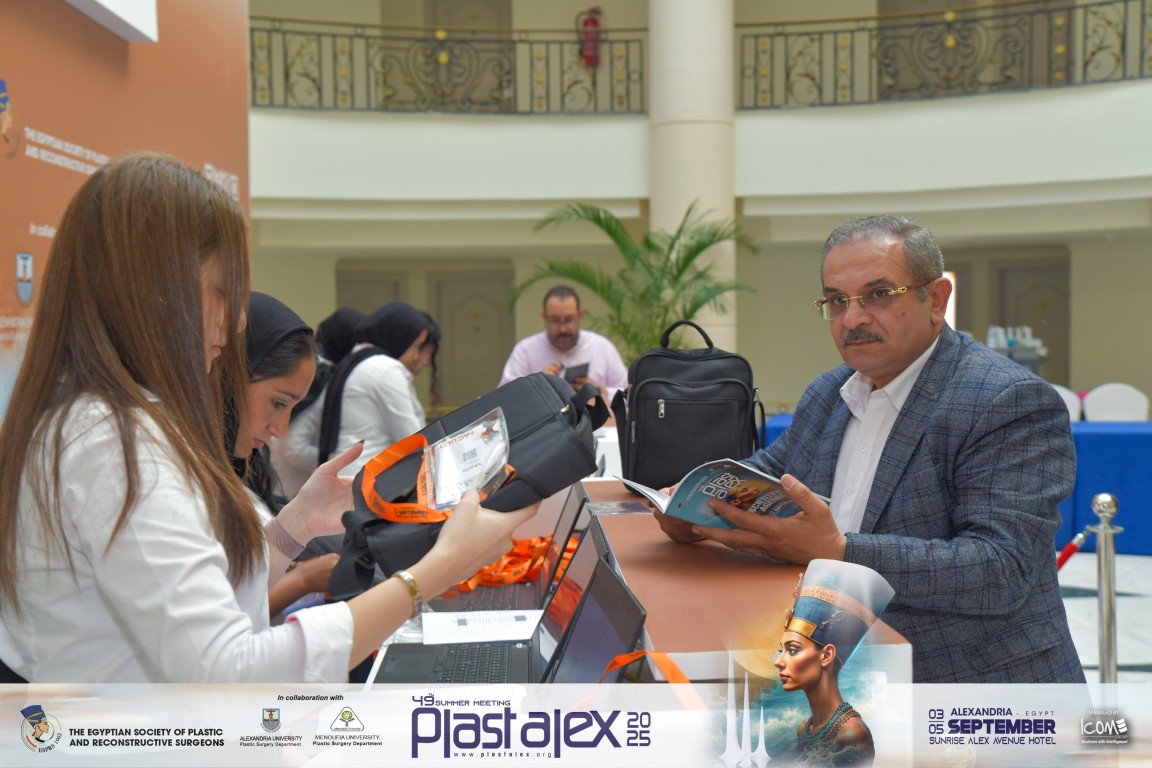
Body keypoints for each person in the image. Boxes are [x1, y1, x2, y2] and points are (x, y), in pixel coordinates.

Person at [0, 152, 536, 683]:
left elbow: (213, 606)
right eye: (223, 292)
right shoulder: (112, 443)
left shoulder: (108, 423)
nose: (236, 321)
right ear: (154, 291)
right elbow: (225, 672)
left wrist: (296, 525)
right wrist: (438, 569)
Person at [654, 215, 1084, 684]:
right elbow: (767, 474)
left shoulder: (1005, 399)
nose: (853, 319)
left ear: (936, 299)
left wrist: (839, 552)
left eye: (878, 294)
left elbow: (1001, 570)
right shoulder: (829, 392)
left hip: (972, 692)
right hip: (841, 677)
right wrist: (695, 507)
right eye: (837, 301)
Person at [229, 291, 338, 618]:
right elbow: (227, 617)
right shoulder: (182, 475)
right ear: (228, 378)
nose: (280, 428)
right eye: (278, 403)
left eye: (292, 408)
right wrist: (302, 578)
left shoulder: (241, 468)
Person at [771, 560, 893, 767]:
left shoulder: (852, 734)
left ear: (826, 655)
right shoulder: (805, 729)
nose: (778, 662)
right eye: (781, 650)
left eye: (792, 650)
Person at [317, 301, 440, 476]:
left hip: (351, 474)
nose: (416, 356)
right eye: (416, 346)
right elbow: (413, 439)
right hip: (365, 479)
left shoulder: (360, 359)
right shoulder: (385, 368)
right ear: (399, 336)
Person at [270, 306, 365, 497]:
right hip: (291, 492)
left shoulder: (325, 373)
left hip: (292, 487)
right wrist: (339, 458)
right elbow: (294, 448)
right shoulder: (321, 377)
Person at [499, 284, 628, 402]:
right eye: (555, 321)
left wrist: (598, 391)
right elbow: (504, 399)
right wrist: (538, 385)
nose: (563, 329)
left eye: (569, 320)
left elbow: (628, 395)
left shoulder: (602, 347)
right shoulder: (525, 350)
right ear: (544, 317)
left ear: (580, 315)